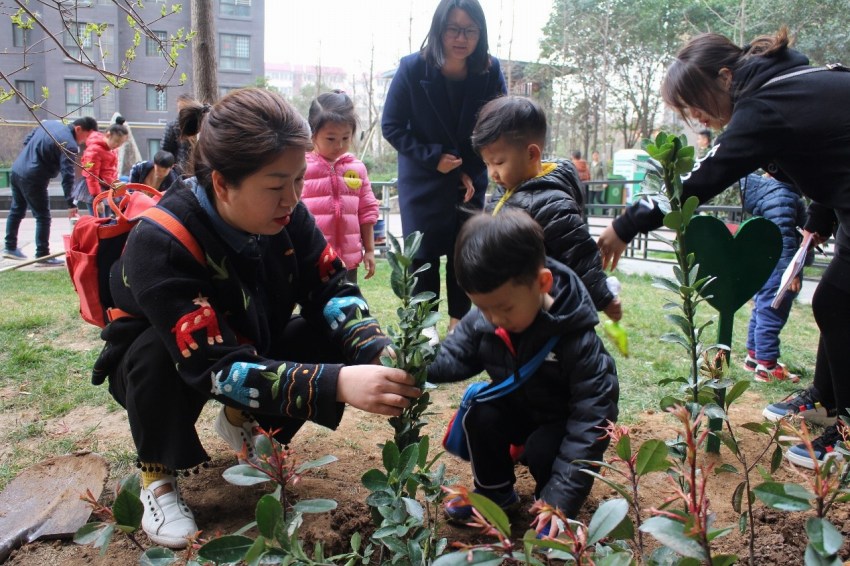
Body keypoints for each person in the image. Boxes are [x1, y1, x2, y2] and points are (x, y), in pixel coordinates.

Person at [93, 88, 420, 548]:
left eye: (299, 181)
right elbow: (216, 365)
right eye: (275, 185)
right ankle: (157, 479)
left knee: (327, 336)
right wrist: (339, 383)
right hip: (173, 361)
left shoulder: (289, 216)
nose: (292, 199)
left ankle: (240, 418)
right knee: (152, 356)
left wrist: (375, 347)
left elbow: (331, 286)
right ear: (223, 183)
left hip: (249, 335)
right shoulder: (162, 242)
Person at [596, 28, 850, 470]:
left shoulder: (765, 105)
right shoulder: (787, 85)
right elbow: (833, 148)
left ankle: (845, 426)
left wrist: (626, 223)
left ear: (726, 77)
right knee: (836, 302)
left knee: (837, 302)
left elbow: (698, 181)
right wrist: (821, 218)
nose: (697, 117)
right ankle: (827, 401)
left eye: (695, 102)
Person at [428, 210, 618, 521]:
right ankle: (494, 495)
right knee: (481, 415)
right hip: (521, 410)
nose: (493, 319)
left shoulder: (576, 338)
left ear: (543, 283)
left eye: (503, 308)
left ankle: (551, 508)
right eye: (482, 308)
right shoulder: (488, 317)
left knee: (544, 447)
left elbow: (592, 416)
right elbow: (454, 356)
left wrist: (560, 502)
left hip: (561, 423)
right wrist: (413, 361)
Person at [382, 0, 507, 346]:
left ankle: (459, 323)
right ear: (439, 30)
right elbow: (391, 126)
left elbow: (498, 125)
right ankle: (425, 325)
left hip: (471, 174)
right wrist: (433, 157)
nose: (461, 37)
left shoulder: (489, 71)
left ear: (479, 32)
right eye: (453, 28)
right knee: (422, 251)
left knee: (463, 249)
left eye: (470, 29)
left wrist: (470, 168)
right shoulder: (412, 69)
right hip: (422, 177)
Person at [472, 96, 622, 322]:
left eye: (499, 162)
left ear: (532, 154)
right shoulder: (509, 186)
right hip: (503, 297)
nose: (492, 172)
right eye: (487, 164)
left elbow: (579, 254)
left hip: (539, 307)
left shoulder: (551, 203)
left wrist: (604, 297)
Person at [302, 90, 379, 283]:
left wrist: (369, 250)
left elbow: (367, 211)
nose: (339, 145)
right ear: (312, 133)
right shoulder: (301, 167)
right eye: (330, 138)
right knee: (314, 310)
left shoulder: (357, 169)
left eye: (346, 138)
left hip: (348, 262)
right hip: (313, 260)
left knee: (347, 307)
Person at [741, 173, 808, 383]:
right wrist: (793, 273)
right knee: (772, 314)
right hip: (780, 268)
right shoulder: (782, 195)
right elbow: (784, 238)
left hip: (767, 264)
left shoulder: (774, 192)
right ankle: (767, 366)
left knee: (762, 309)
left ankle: (754, 357)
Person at [3, 116, 98, 264]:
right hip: (34, 177)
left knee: (17, 209)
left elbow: (28, 139)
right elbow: (68, 175)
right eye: (86, 136)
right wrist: (71, 203)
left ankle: (9, 247)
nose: (85, 141)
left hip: (17, 170)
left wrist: (33, 156)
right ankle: (42, 254)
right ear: (78, 129)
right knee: (43, 216)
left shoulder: (50, 124)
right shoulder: (69, 145)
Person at [75, 118, 130, 214]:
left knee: (107, 219)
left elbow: (112, 172)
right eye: (116, 141)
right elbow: (91, 175)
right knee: (100, 220)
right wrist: (98, 199)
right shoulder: (94, 150)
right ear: (108, 135)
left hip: (107, 187)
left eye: (121, 143)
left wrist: (119, 189)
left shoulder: (111, 149)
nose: (118, 145)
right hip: (94, 189)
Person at [161, 92, 195, 177]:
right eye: (180, 108)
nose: (182, 111)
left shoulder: (201, 125)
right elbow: (166, 152)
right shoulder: (173, 126)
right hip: (179, 174)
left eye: (186, 108)